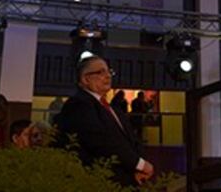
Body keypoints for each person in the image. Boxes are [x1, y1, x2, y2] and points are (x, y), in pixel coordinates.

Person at [56, 56, 153, 185]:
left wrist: (140, 165)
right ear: (85, 79)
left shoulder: (113, 109)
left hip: (127, 179)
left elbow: (132, 139)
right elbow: (101, 142)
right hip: (99, 182)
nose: (108, 76)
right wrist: (138, 164)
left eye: (109, 71)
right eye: (101, 72)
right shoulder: (79, 104)